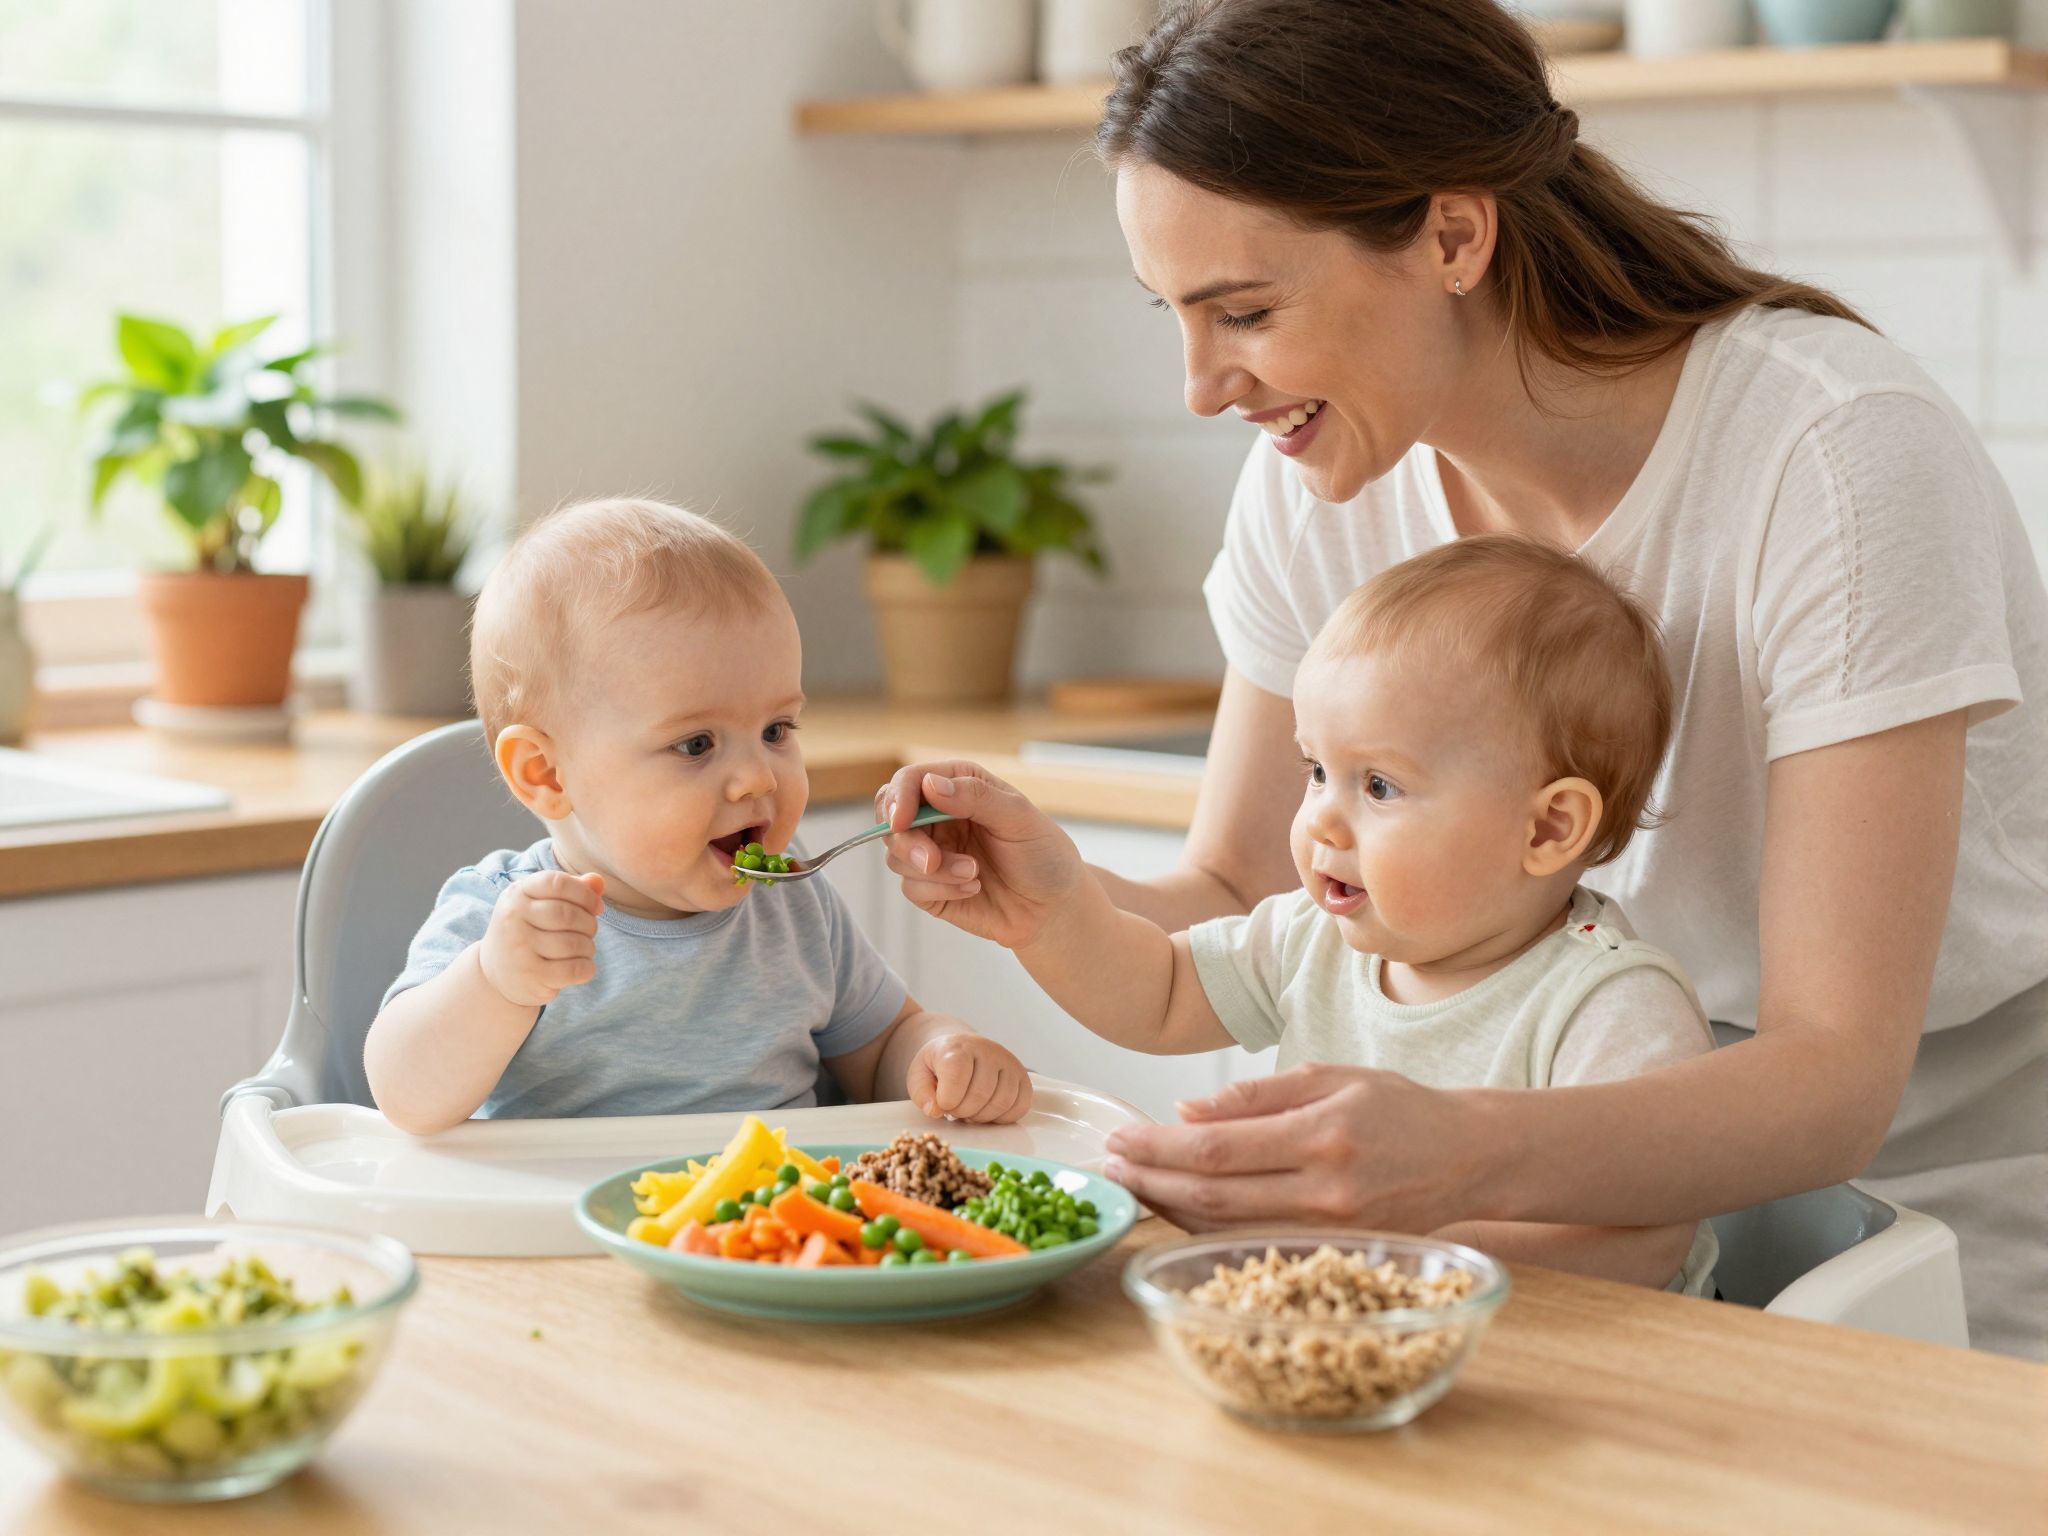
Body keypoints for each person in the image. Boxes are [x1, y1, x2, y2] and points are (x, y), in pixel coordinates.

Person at [878, 0, 2048, 1357]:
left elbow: (1834, 1078)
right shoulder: (1319, 480)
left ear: (1451, 236)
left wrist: (1457, 1153)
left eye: (1243, 311)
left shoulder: (1834, 455)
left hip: (1909, 1226)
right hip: (1499, 1235)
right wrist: (1054, 899)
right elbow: (1240, 899)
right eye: (1178, 318)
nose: (1202, 387)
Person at [890, 537, 1720, 1292]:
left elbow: (1641, 1242)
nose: (1321, 818)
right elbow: (1159, 991)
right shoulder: (1312, 939)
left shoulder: (1609, 1003)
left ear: (1547, 829)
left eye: (1379, 785)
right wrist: (1051, 915)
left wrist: (1379, 1243)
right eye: (1316, 770)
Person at [366, 498, 1031, 1133]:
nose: (758, 776)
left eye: (776, 730)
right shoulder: (505, 920)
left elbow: (883, 1046)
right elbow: (405, 1097)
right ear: (547, 773)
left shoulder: (794, 906)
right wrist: (495, 983)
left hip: (768, 1211)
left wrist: (941, 1054)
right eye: (696, 745)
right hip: (563, 1212)